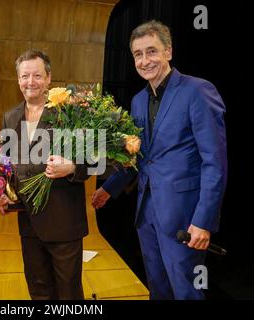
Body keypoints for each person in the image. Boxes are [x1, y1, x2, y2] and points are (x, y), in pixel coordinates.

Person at [91, 20, 227, 300]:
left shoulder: (198, 91)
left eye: (152, 51)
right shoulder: (139, 100)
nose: (145, 60)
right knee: (158, 288)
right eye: (138, 54)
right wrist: (109, 188)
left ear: (169, 52)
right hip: (146, 212)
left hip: (184, 216)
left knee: (186, 291)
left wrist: (203, 220)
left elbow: (215, 163)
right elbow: (141, 157)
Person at [0, 50, 89, 300]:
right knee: (39, 291)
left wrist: (71, 167)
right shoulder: (10, 116)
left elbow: (94, 158)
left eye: (37, 75)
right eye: (25, 76)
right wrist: (4, 194)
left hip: (64, 222)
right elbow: (6, 165)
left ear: (49, 78)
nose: (30, 82)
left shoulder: (70, 112)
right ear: (18, 80)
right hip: (28, 222)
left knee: (69, 295)